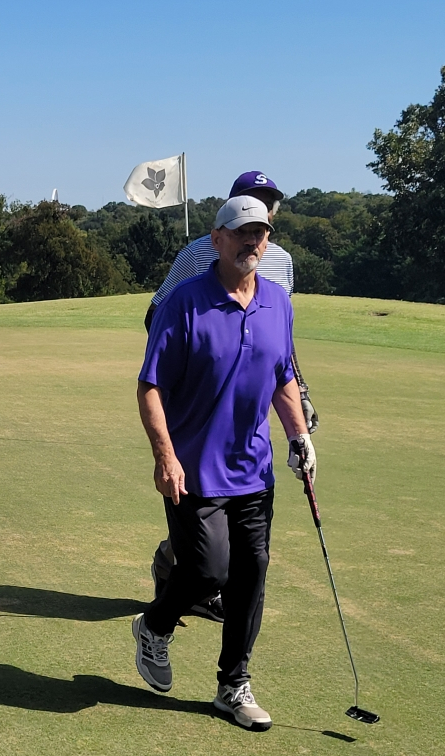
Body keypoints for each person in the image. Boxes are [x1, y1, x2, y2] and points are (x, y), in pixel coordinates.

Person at [133, 195, 315, 731]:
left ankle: (232, 684)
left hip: (252, 468)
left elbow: (282, 375)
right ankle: (154, 624)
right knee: (209, 570)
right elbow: (150, 387)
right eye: (241, 233)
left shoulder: (277, 302)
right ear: (216, 239)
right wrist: (164, 456)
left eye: (260, 233)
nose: (252, 242)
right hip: (192, 468)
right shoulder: (185, 302)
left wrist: (299, 434)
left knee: (251, 574)